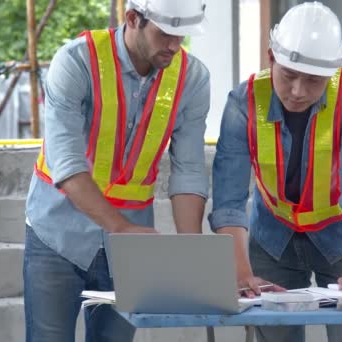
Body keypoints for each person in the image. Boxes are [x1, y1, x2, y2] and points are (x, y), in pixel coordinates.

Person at [23, 0, 210, 341]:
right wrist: (120, 227)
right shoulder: (76, 60)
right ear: (133, 18)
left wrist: (191, 251)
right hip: (57, 230)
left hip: (129, 243)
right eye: (165, 33)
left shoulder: (192, 79)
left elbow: (189, 171)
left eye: (181, 35)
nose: (173, 45)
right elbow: (66, 162)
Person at [209, 2, 342, 341]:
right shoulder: (241, 104)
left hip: (339, 234)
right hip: (272, 238)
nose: (298, 91)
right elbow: (229, 200)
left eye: (314, 81)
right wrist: (242, 274)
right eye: (288, 76)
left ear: (333, 71)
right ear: (271, 58)